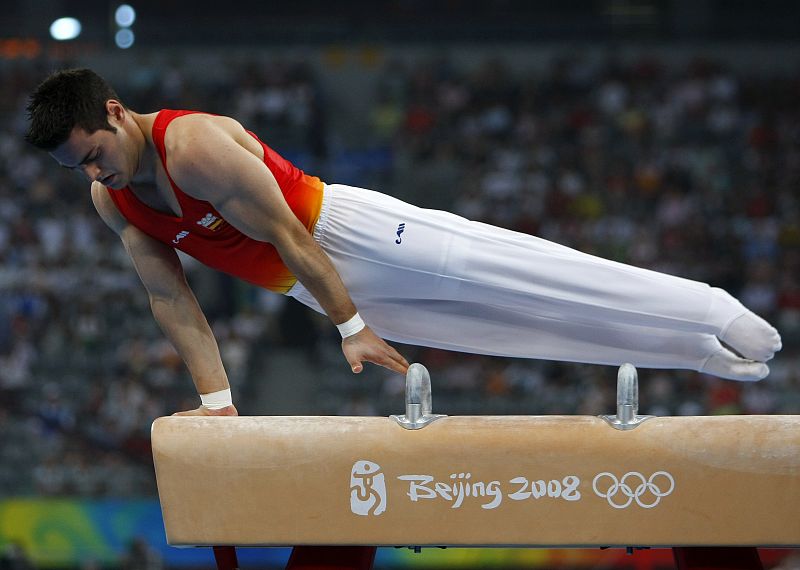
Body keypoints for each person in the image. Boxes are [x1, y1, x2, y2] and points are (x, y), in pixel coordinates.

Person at [25, 69, 782, 416]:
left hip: (350, 234)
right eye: (79, 170)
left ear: (116, 114)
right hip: (324, 291)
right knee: (520, 331)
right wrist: (216, 401)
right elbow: (170, 296)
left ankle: (710, 308)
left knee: (537, 277)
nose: (96, 174)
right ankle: (698, 353)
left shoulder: (190, 147)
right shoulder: (112, 200)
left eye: (93, 154)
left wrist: (352, 325)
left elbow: (288, 233)